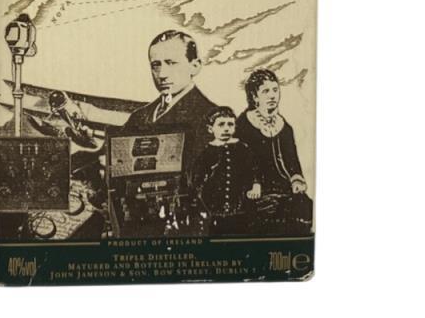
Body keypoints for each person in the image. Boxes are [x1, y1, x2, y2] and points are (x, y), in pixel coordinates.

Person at [122, 30, 226, 162]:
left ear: (195, 66)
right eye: (156, 65)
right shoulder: (139, 116)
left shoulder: (212, 118)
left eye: (171, 63)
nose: (162, 74)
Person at [236, 68, 311, 230]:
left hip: (283, 187)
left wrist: (296, 179)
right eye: (266, 91)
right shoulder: (243, 125)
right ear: (254, 96)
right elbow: (242, 162)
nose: (272, 96)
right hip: (254, 190)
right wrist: (254, 183)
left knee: (305, 208)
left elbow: (292, 160)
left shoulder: (285, 127)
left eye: (275, 90)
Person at [188, 106, 254, 223]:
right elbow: (197, 179)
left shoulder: (243, 148)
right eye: (221, 124)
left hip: (241, 206)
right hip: (214, 208)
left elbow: (253, 168)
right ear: (210, 129)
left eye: (230, 124)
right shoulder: (206, 152)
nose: (226, 128)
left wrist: (256, 184)